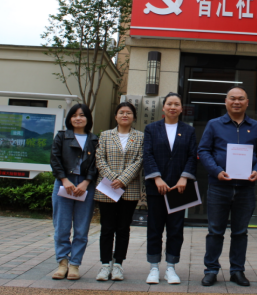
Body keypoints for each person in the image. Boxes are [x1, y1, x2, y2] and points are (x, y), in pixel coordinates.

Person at [197, 86, 257, 287]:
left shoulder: (256, 127)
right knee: (215, 231)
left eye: (240, 98)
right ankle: (211, 270)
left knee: (240, 232)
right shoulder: (214, 124)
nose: (236, 102)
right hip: (219, 186)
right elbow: (203, 150)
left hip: (246, 188)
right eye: (232, 98)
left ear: (247, 102)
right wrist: (216, 171)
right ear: (226, 101)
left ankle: (237, 271)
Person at [143, 92, 198, 285]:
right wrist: (157, 178)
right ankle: (154, 268)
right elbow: (147, 154)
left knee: (176, 229)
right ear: (163, 107)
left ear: (181, 108)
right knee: (154, 228)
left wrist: (184, 178)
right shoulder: (151, 129)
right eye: (169, 104)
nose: (173, 107)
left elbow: (192, 155)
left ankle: (171, 268)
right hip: (156, 188)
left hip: (179, 187)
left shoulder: (189, 130)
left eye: (176, 104)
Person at [94, 102, 144, 282]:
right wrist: (113, 178)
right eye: (121, 112)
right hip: (107, 188)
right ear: (115, 116)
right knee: (107, 228)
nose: (125, 115)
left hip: (129, 188)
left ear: (134, 117)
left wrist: (123, 179)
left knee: (123, 228)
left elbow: (140, 160)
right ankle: (105, 264)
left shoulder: (140, 137)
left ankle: (118, 265)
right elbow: (99, 158)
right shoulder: (106, 135)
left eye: (128, 113)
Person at [50, 103, 99, 280]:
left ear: (88, 118)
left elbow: (96, 164)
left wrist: (86, 182)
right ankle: (62, 263)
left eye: (82, 115)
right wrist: (64, 180)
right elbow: (55, 159)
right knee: (62, 226)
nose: (78, 118)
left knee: (81, 228)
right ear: (69, 119)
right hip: (64, 183)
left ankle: (75, 264)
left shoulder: (94, 140)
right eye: (74, 115)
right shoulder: (61, 137)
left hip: (85, 186)